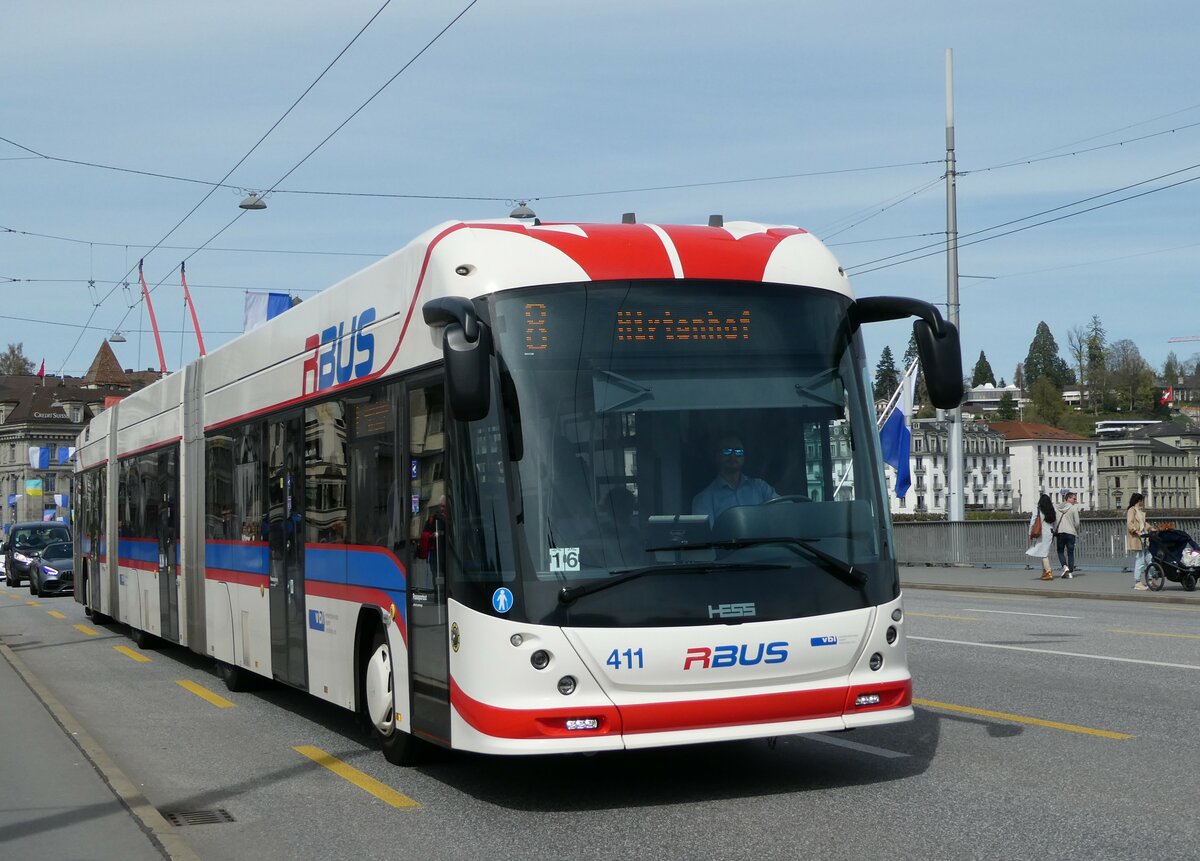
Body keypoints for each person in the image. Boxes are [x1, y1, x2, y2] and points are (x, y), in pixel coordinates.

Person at [691, 435, 778, 525]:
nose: (733, 456)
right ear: (717, 456)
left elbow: (783, 510)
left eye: (738, 451)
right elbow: (706, 534)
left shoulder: (761, 487)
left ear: (744, 457)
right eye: (727, 451)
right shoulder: (703, 500)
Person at [1025, 492, 1057, 580]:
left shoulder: (1038, 509)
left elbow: (1033, 521)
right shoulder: (1051, 509)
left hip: (1042, 532)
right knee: (1044, 552)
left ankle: (1048, 571)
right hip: (1050, 532)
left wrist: (1030, 532)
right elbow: (1055, 522)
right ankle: (1045, 571)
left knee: (1043, 553)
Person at [1125, 492, 1153, 591]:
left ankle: (1150, 580)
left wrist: (1152, 529)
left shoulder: (1139, 511)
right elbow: (1130, 523)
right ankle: (1137, 582)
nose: (1143, 502)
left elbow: (1143, 524)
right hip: (1137, 538)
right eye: (1142, 500)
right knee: (1140, 560)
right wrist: (1136, 531)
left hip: (1144, 538)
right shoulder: (1131, 510)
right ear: (1139, 501)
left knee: (1150, 559)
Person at [1054, 489, 1082, 579]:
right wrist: (1075, 529)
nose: (1075, 501)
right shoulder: (1073, 508)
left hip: (1060, 532)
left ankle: (1064, 567)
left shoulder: (1057, 508)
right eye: (1074, 499)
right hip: (1071, 533)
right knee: (1070, 552)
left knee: (1060, 551)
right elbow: (1077, 523)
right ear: (1068, 498)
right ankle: (1070, 571)